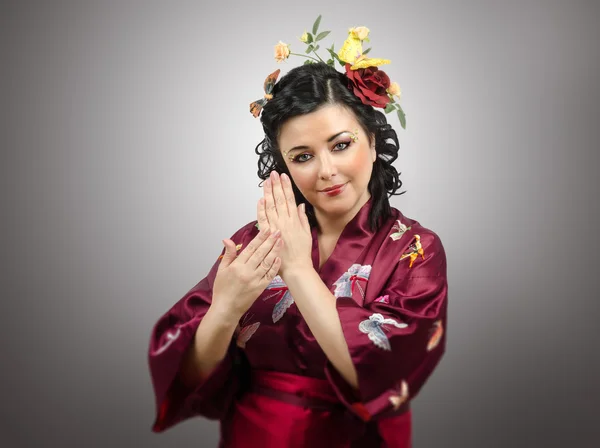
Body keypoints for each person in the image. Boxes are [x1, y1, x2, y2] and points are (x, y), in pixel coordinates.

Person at [148, 19, 448, 448]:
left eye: (341, 144)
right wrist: (225, 309)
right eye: (303, 156)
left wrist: (296, 269)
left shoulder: (415, 250)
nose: (326, 171)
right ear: (284, 166)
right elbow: (187, 374)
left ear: (373, 138)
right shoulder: (255, 239)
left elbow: (383, 372)